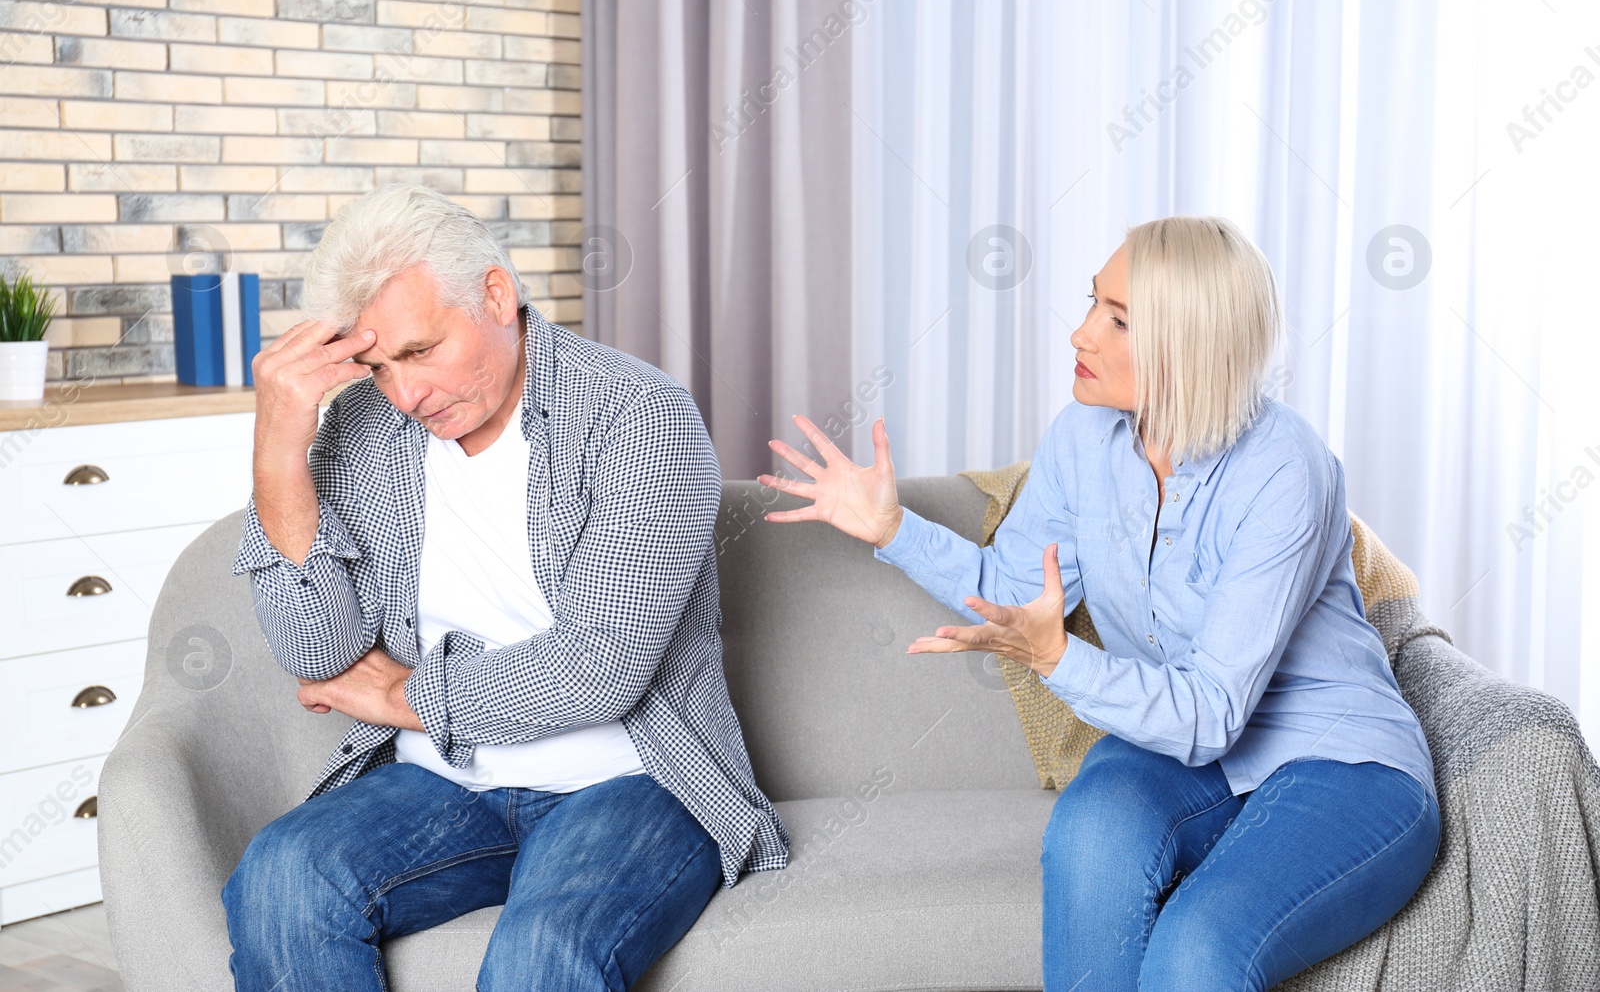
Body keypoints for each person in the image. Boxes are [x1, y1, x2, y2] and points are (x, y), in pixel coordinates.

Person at [758, 216, 1440, 991]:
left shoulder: (1287, 468)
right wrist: (894, 527)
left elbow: (1213, 710)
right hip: (1183, 758)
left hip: (1340, 760)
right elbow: (1020, 593)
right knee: (1088, 834)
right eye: (1092, 303)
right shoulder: (1085, 437)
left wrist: (1058, 656)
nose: (1079, 333)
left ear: (1191, 344)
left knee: (1197, 947)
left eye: (1117, 319)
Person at [222, 183, 788, 992]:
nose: (406, 395)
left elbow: (598, 669)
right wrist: (280, 443)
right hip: (441, 781)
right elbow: (317, 647)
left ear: (496, 293)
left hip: (632, 778)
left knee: (544, 950)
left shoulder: (640, 415)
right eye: (378, 366)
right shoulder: (363, 431)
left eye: (420, 351)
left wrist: (401, 697)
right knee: (281, 877)